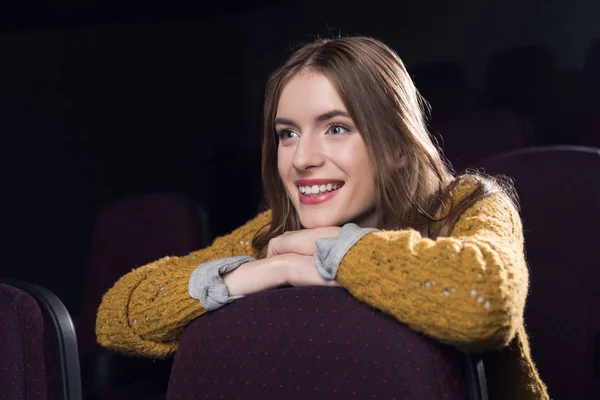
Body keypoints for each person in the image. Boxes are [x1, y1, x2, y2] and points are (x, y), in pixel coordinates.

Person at [97, 36, 548, 399]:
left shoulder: (468, 205)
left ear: (393, 142)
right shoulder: (275, 234)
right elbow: (117, 315)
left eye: (336, 128)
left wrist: (331, 251)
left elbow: (483, 303)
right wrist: (263, 270)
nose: (301, 159)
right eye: (287, 134)